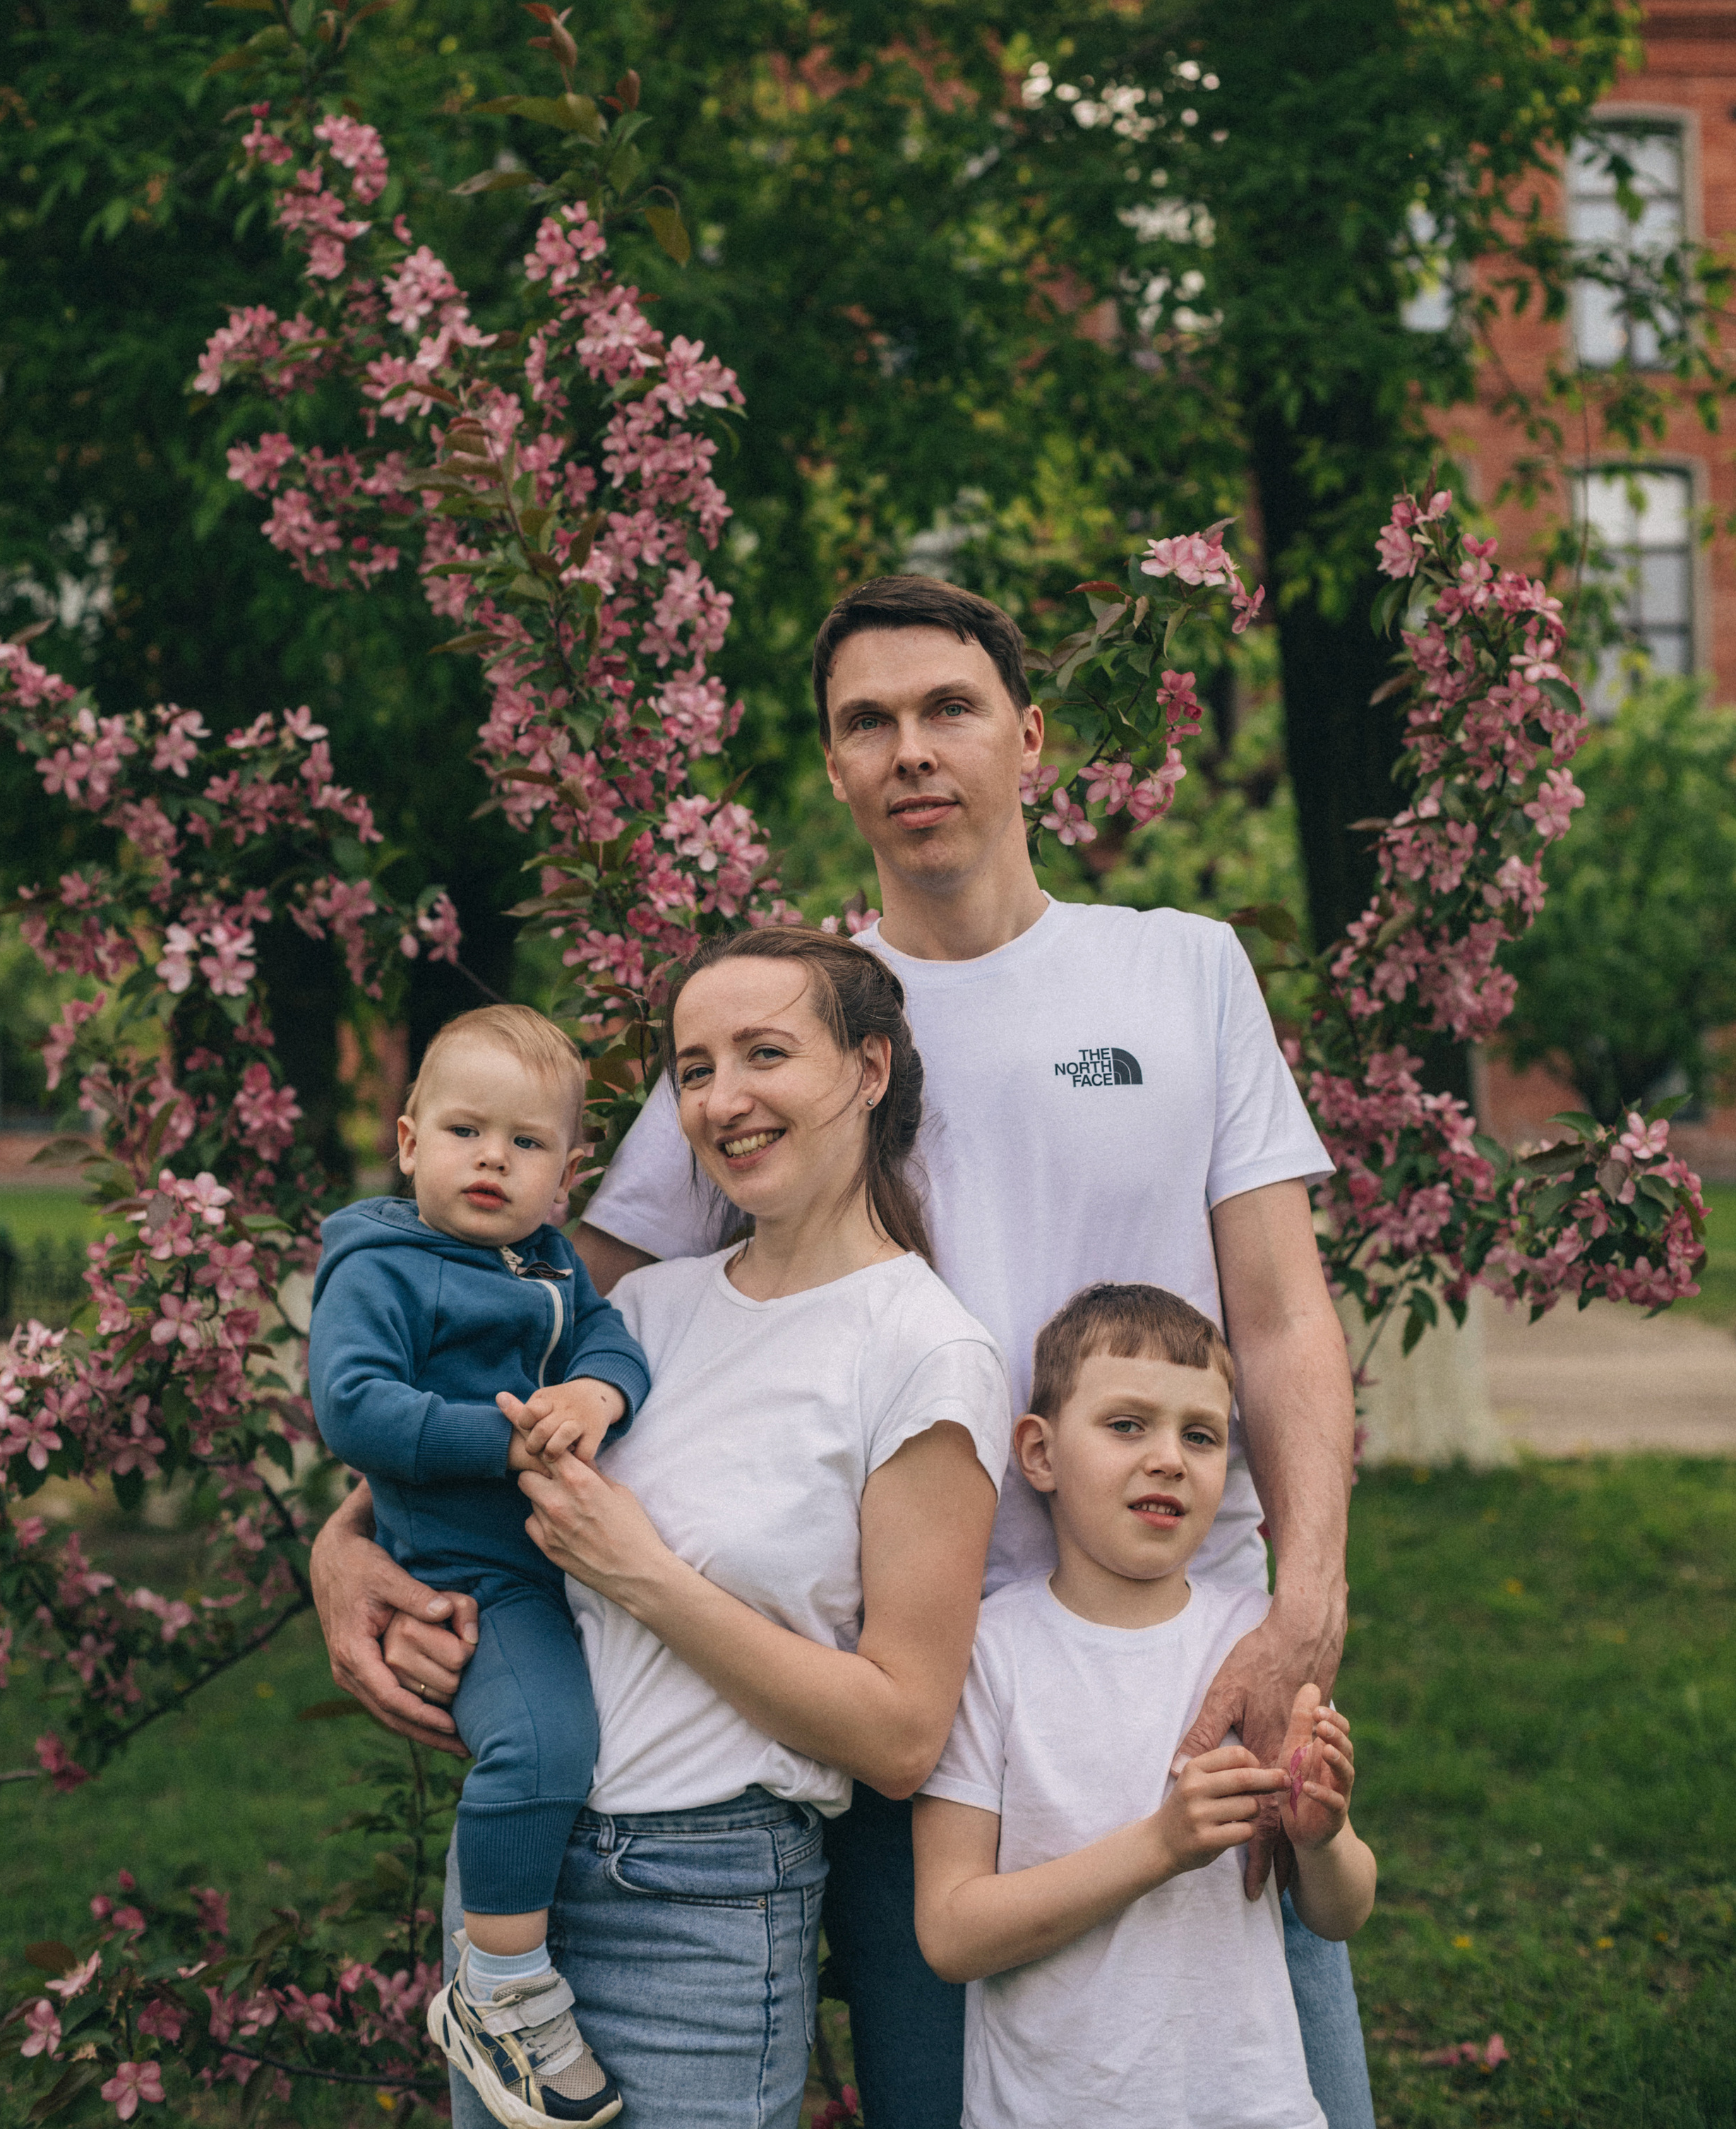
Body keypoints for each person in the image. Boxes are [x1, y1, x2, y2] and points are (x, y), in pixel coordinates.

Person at [313, 573, 1372, 2129]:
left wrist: (1308, 1598)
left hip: (1171, 1660)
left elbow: (1280, 1315)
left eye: (947, 708)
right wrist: (348, 1538)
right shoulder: (779, 1038)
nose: (911, 751)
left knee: (1277, 2093)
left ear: (1027, 736)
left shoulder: (1181, 968)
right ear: (833, 768)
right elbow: (525, 1322)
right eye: (865, 724)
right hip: (896, 1703)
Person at [334, 930, 1012, 2128]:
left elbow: (905, 1735)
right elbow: (436, 1453)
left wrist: (644, 1577)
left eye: (764, 1054)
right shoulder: (636, 1312)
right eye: (694, 1069)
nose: (724, 1099)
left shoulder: (925, 1350)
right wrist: (344, 1555)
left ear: (868, 1071)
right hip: (517, 1891)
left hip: (708, 1899)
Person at [914, 1281, 1375, 2129]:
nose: (1168, 1456)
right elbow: (950, 1933)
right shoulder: (988, 1652)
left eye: (1199, 1436)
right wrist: (1159, 1847)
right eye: (1127, 1425)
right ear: (1039, 1453)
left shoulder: (1255, 1649)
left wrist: (1325, 1840)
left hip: (1250, 2108)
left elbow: (1339, 1915)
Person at [309, 1006, 651, 2126]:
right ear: (409, 1142)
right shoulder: (381, 1270)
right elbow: (354, 1406)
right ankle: (498, 1987)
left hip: (550, 1565)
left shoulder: (548, 1263)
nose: (493, 1158)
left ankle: (502, 1970)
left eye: (527, 1142)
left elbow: (606, 1339)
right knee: (546, 1744)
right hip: (474, 1575)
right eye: (465, 1131)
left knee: (557, 1736)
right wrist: (504, 1441)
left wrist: (599, 1392)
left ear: (569, 1169)